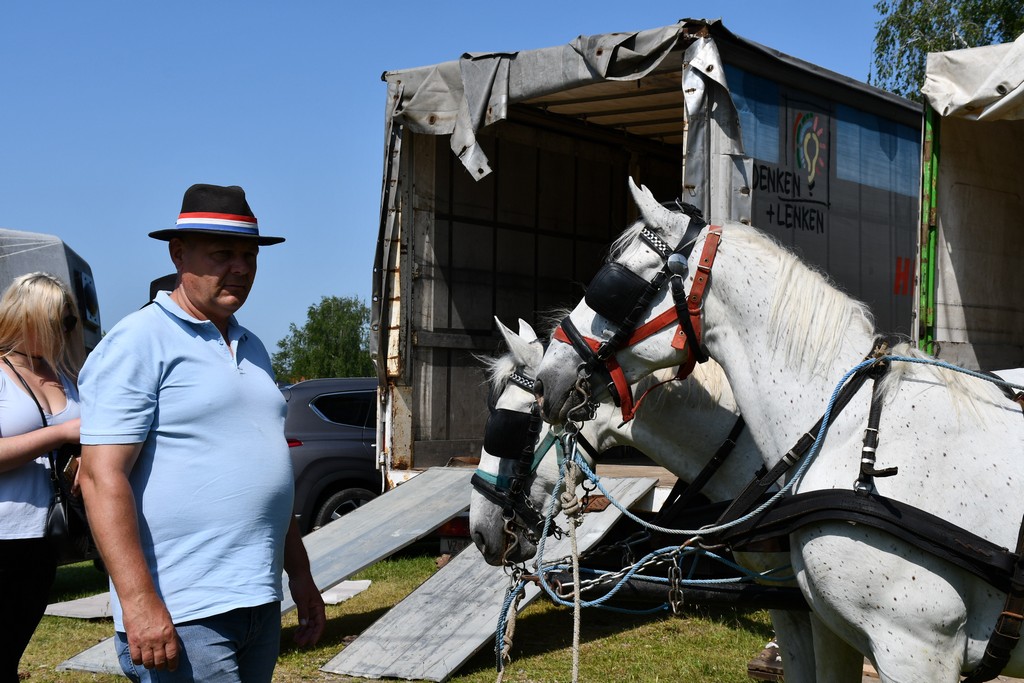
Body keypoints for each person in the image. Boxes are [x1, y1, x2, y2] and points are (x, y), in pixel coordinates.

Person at [78, 184, 325, 683]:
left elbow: (268, 475)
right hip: (184, 608)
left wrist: (300, 576)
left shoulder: (252, 346)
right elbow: (99, 477)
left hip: (257, 599)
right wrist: (138, 603)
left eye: (249, 255)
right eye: (222, 254)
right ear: (178, 254)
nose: (240, 267)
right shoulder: (138, 341)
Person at [0, 273, 82, 683]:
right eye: (58, 321)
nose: (66, 330)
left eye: (69, 320)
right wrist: (62, 433)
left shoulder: (62, 373)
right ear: (26, 317)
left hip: (45, 535)